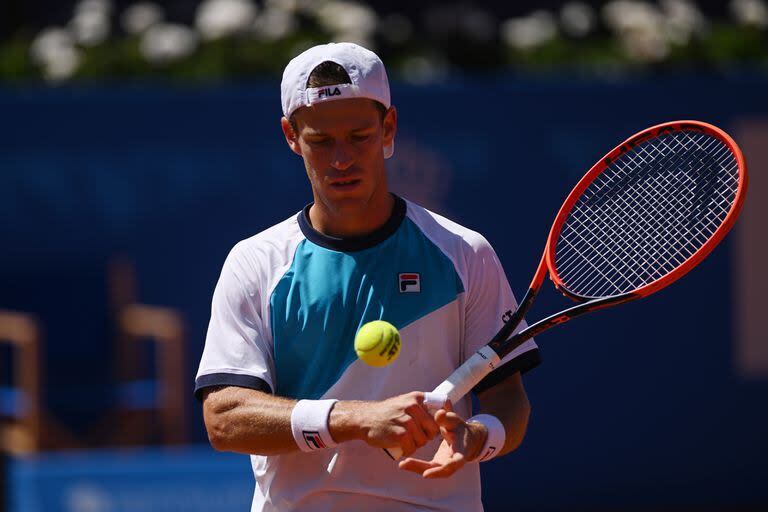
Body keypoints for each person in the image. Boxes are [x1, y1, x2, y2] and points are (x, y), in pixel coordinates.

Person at [195, 42, 541, 512]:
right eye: (321, 140)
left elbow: (509, 403)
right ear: (291, 137)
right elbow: (224, 418)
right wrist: (357, 419)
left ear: (389, 128)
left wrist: (477, 437)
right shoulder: (255, 263)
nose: (341, 159)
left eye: (359, 136)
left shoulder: (464, 253)